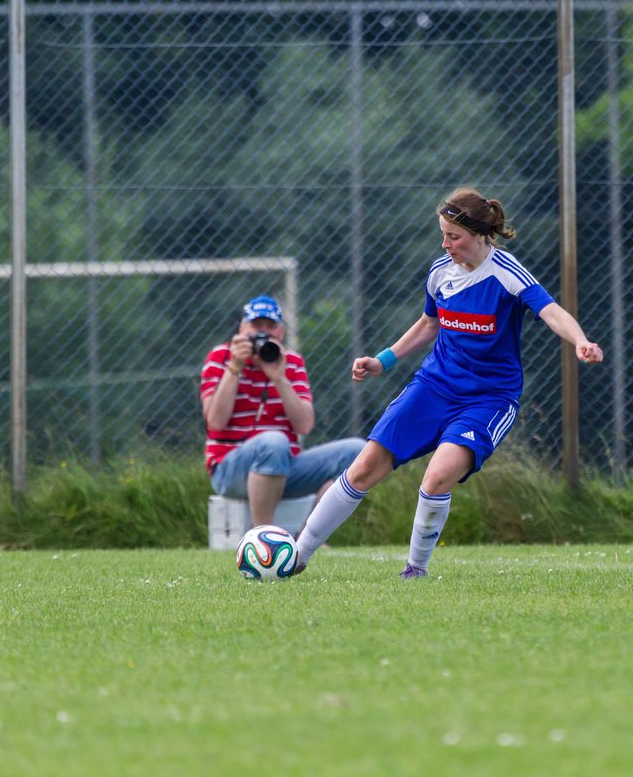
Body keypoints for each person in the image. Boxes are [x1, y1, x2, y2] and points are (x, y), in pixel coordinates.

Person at [294, 186, 604, 578]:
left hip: (488, 399)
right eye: (443, 235)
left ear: (479, 235)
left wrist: (580, 341)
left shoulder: (506, 274)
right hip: (434, 387)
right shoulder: (440, 273)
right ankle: (297, 556)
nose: (446, 244)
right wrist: (382, 361)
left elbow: (552, 311)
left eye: (453, 237)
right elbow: (429, 324)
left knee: (438, 475)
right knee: (364, 467)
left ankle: (415, 571)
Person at [200, 294, 365, 534]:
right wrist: (234, 368)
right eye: (257, 326)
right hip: (229, 468)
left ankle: (307, 536)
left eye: (270, 327)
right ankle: (263, 538)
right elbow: (215, 421)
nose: (264, 333)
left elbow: (305, 425)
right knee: (274, 441)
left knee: (357, 452)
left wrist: (279, 377)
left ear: (282, 332)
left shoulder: (292, 362)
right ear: (242, 328)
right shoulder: (220, 358)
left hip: (282, 465)